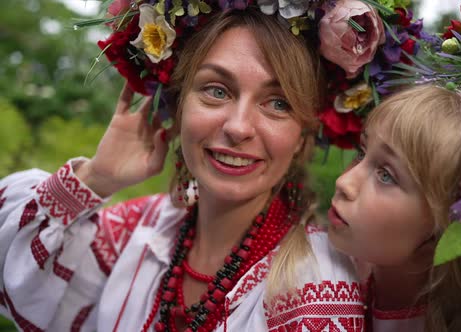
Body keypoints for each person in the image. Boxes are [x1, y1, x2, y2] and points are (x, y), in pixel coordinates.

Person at [0, 8, 367, 332]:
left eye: (278, 103)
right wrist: (97, 178)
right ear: (177, 108)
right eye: (217, 91)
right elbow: (16, 275)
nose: (238, 127)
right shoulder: (143, 230)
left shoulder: (315, 286)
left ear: (304, 136)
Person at [327, 85, 461, 332]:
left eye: (386, 175)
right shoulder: (321, 266)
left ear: (443, 232)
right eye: (361, 151)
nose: (344, 182)